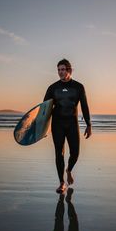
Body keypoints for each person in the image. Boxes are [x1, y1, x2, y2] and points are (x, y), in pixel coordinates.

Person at [43, 59, 92, 193]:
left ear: (69, 70)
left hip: (72, 124)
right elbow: (45, 109)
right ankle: (61, 183)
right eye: (59, 70)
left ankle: (69, 170)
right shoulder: (53, 88)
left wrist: (89, 124)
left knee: (75, 153)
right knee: (59, 153)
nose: (60, 72)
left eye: (63, 69)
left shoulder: (78, 87)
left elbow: (85, 106)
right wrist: (42, 128)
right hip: (57, 124)